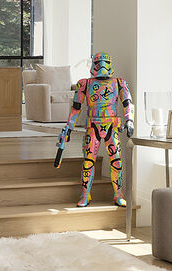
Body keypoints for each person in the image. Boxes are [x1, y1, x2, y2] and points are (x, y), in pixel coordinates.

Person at [55, 52, 133, 207]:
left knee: (116, 160)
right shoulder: (84, 84)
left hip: (111, 126)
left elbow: (127, 103)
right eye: (98, 63)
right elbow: (76, 108)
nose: (102, 66)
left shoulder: (119, 82)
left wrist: (129, 120)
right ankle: (85, 195)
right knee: (88, 162)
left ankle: (118, 194)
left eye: (105, 62)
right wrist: (68, 128)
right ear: (93, 65)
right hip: (93, 126)